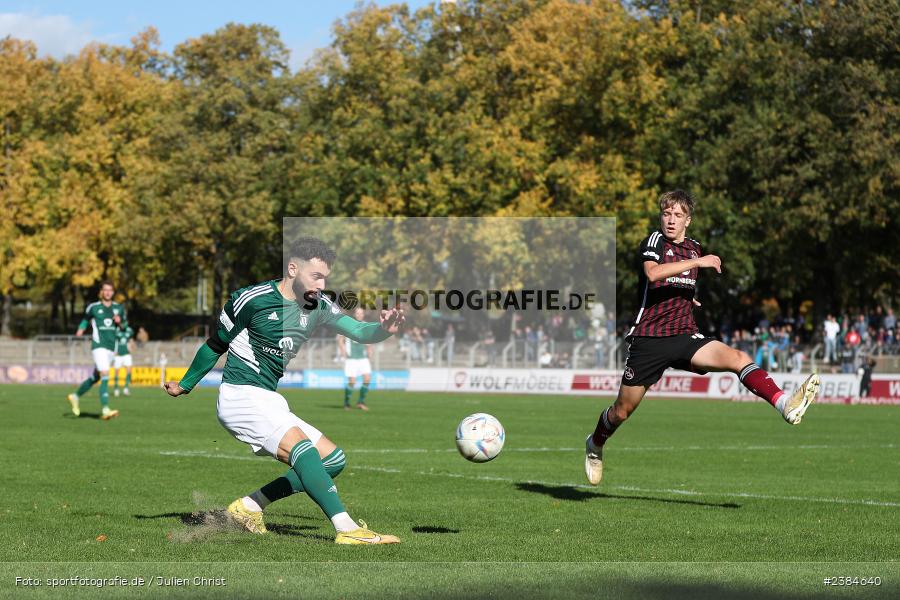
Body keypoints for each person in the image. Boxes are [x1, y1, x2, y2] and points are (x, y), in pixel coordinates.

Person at [162, 237, 404, 544]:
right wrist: (185, 384)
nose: (323, 282)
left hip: (269, 398)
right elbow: (215, 344)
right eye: (316, 275)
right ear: (293, 269)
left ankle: (249, 507)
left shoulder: (318, 305)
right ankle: (347, 530)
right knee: (301, 448)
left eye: (326, 276)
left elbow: (357, 330)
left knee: (333, 460)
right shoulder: (251, 298)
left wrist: (383, 329)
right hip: (241, 395)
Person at [584, 191, 820, 485]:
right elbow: (654, 275)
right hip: (650, 339)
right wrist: (696, 264)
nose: (670, 220)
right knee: (621, 412)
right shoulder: (655, 242)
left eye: (677, 215)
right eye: (666, 214)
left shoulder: (695, 248)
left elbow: (680, 283)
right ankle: (595, 444)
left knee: (738, 358)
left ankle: (785, 404)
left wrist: (688, 297)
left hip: (684, 335)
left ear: (688, 220)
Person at [67, 281, 127, 420]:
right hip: (98, 346)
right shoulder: (93, 307)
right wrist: (80, 330)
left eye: (110, 290)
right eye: (105, 290)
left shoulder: (119, 308)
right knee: (105, 374)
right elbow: (85, 320)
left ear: (113, 292)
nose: (107, 293)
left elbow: (125, 327)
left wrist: (120, 322)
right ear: (101, 292)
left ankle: (75, 396)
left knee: (96, 377)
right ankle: (105, 409)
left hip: (112, 348)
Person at [337, 307, 374, 411]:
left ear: (363, 314)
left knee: (367, 379)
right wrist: (343, 350)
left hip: (363, 357)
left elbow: (369, 339)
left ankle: (360, 402)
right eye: (357, 313)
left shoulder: (366, 325)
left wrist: (370, 350)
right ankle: (347, 403)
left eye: (361, 313)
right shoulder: (348, 324)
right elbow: (340, 339)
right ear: (354, 314)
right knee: (352, 381)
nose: (359, 315)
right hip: (351, 358)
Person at [112, 324, 134, 397]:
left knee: (129, 370)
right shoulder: (116, 330)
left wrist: (131, 347)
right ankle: (116, 389)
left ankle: (126, 388)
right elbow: (114, 341)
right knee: (116, 372)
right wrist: (114, 351)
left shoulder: (129, 330)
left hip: (126, 354)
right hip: (118, 355)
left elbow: (130, 340)